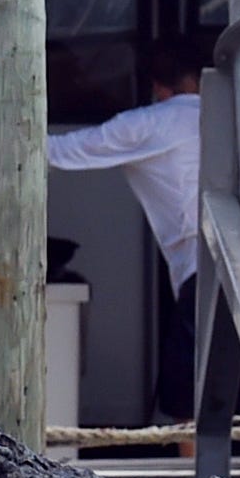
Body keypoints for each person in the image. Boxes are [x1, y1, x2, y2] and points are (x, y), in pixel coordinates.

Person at [50, 50, 206, 304]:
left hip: (199, 268)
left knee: (191, 342)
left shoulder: (150, 123)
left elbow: (61, 150)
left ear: (157, 87)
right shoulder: (232, 117)